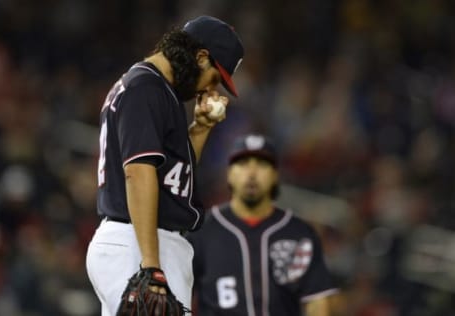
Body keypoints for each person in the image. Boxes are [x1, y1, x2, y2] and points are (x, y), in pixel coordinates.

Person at [85, 15, 244, 315]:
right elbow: (138, 173)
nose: (210, 89)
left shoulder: (155, 89)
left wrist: (201, 127)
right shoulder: (146, 87)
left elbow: (173, 178)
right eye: (215, 77)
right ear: (200, 57)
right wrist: (151, 266)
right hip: (140, 243)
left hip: (139, 242)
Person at [188, 134, 338, 316]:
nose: (252, 174)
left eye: (262, 165)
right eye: (243, 164)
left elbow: (317, 300)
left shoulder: (298, 232)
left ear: (275, 175)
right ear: (229, 174)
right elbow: (182, 293)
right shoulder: (203, 230)